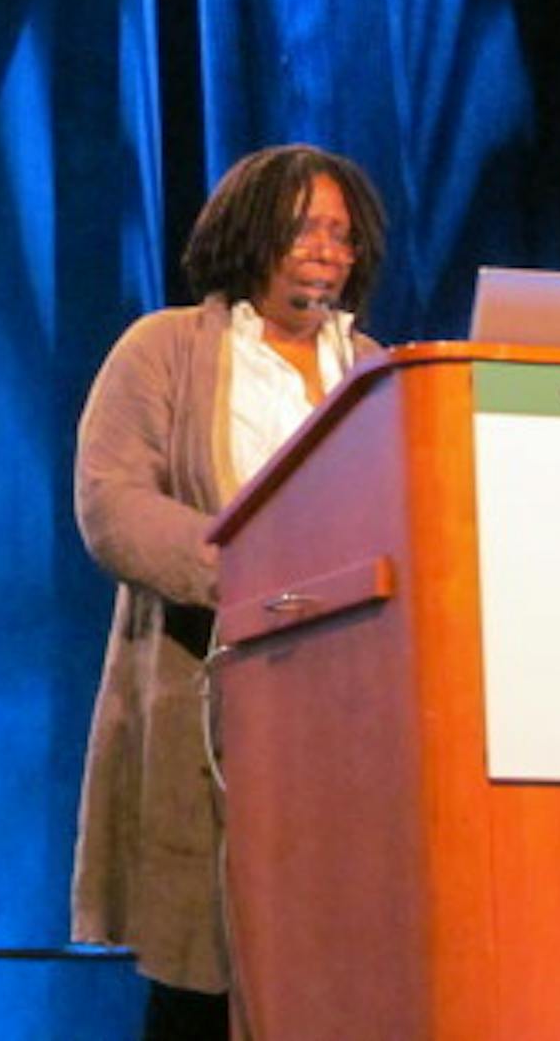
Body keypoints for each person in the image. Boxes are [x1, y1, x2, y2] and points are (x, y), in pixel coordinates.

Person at [70, 144, 389, 1041]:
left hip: (351, 709)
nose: (327, 250)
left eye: (342, 234)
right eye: (303, 229)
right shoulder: (164, 349)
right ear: (248, 236)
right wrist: (257, 576)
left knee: (340, 968)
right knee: (203, 972)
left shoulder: (377, 370)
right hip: (205, 693)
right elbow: (113, 506)